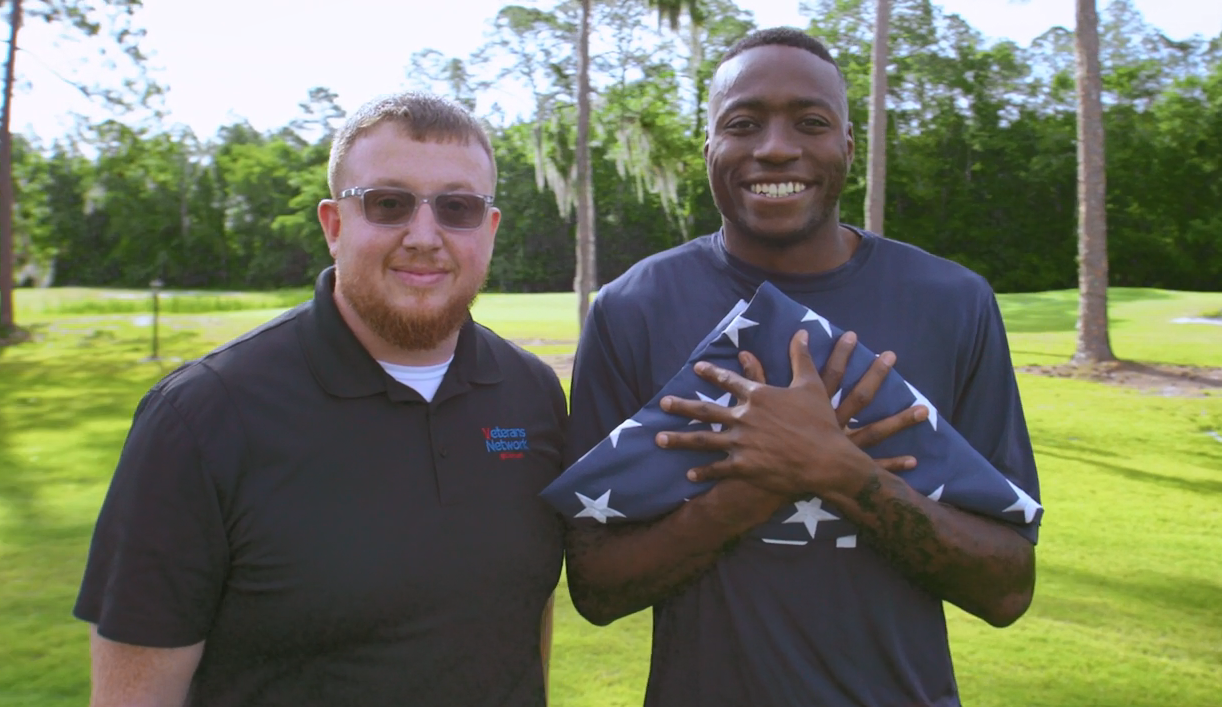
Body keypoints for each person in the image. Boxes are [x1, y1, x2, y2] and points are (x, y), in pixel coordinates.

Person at [562, 27, 1041, 706]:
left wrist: (842, 473)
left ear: (847, 145)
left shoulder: (953, 303)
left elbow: (1007, 587)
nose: (776, 146)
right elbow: (596, 588)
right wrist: (752, 487)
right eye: (744, 123)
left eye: (810, 122)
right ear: (710, 149)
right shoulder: (633, 308)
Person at [74, 92, 566, 706]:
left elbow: (527, 617)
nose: (423, 235)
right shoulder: (199, 419)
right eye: (389, 204)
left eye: (457, 207)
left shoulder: (531, 394)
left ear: (488, 229)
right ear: (334, 225)